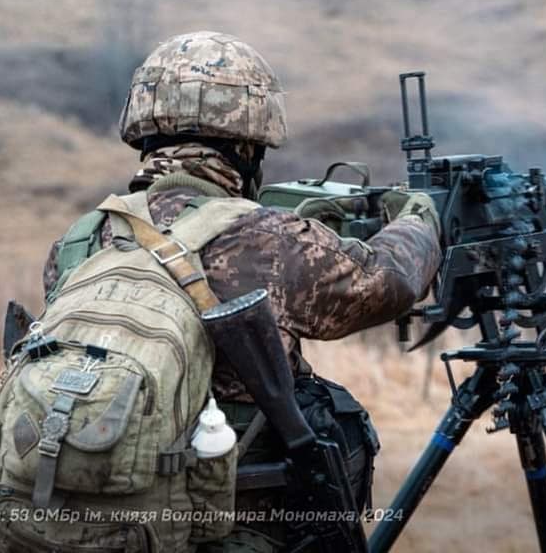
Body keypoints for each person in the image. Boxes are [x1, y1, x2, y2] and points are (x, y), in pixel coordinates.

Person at [40, 31, 442, 551]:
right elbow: (388, 282)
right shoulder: (266, 240)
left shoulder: (78, 242)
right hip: (230, 530)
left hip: (92, 524)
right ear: (247, 149)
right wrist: (420, 218)